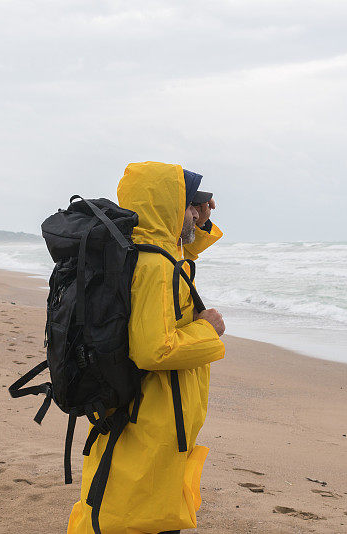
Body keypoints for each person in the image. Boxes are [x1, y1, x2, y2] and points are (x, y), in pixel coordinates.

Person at [67, 162, 226, 534]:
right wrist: (208, 331)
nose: (194, 212)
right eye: (189, 205)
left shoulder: (146, 252)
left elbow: (180, 254)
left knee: (135, 505)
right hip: (151, 413)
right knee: (132, 513)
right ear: (168, 206)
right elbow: (153, 350)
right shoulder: (154, 265)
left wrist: (199, 223)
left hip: (149, 409)